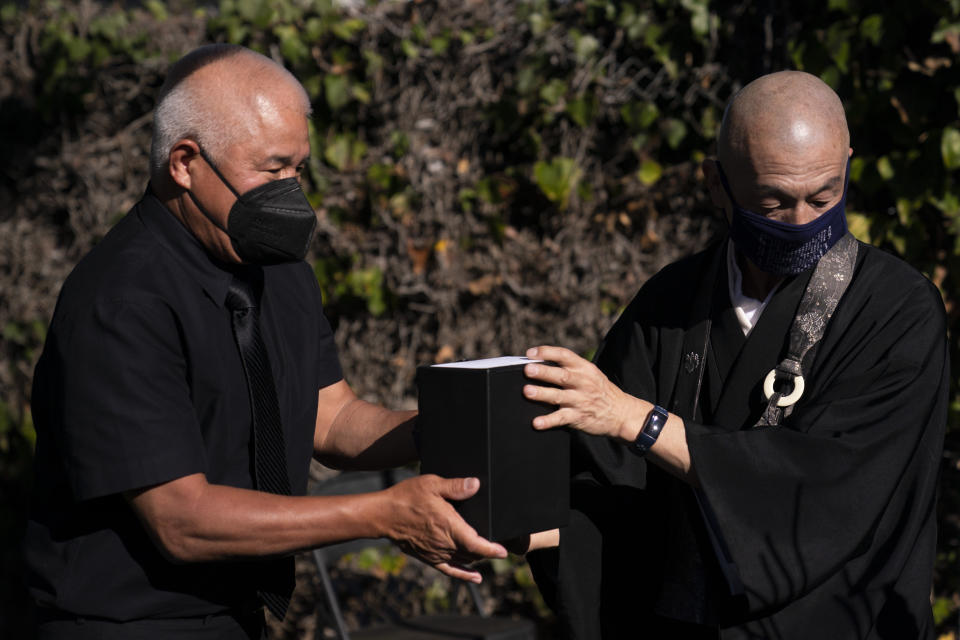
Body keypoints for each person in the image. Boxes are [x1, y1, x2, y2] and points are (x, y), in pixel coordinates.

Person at [22, 44, 506, 640]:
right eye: (271, 169)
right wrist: (382, 515)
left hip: (236, 618)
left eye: (298, 169)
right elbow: (182, 520)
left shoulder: (279, 270)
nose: (291, 191)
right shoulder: (120, 300)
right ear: (184, 162)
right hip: (124, 623)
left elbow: (332, 419)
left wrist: (459, 432)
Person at [520, 71, 948, 639]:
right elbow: (604, 486)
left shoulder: (898, 309)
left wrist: (639, 422)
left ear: (847, 165)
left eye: (823, 196)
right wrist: (515, 529)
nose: (803, 224)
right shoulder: (672, 300)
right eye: (771, 204)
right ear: (716, 185)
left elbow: (823, 485)